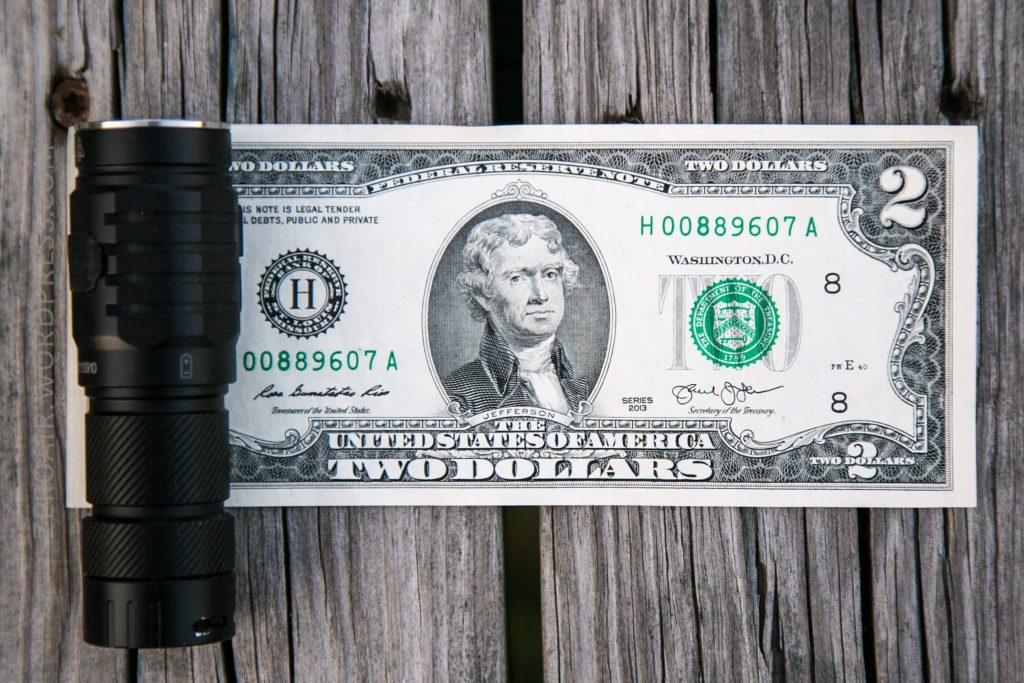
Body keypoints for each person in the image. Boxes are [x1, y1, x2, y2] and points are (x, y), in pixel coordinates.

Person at [443, 213, 590, 414]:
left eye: (550, 274)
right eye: (517, 278)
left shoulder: (584, 389)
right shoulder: (458, 394)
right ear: (484, 295)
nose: (541, 295)